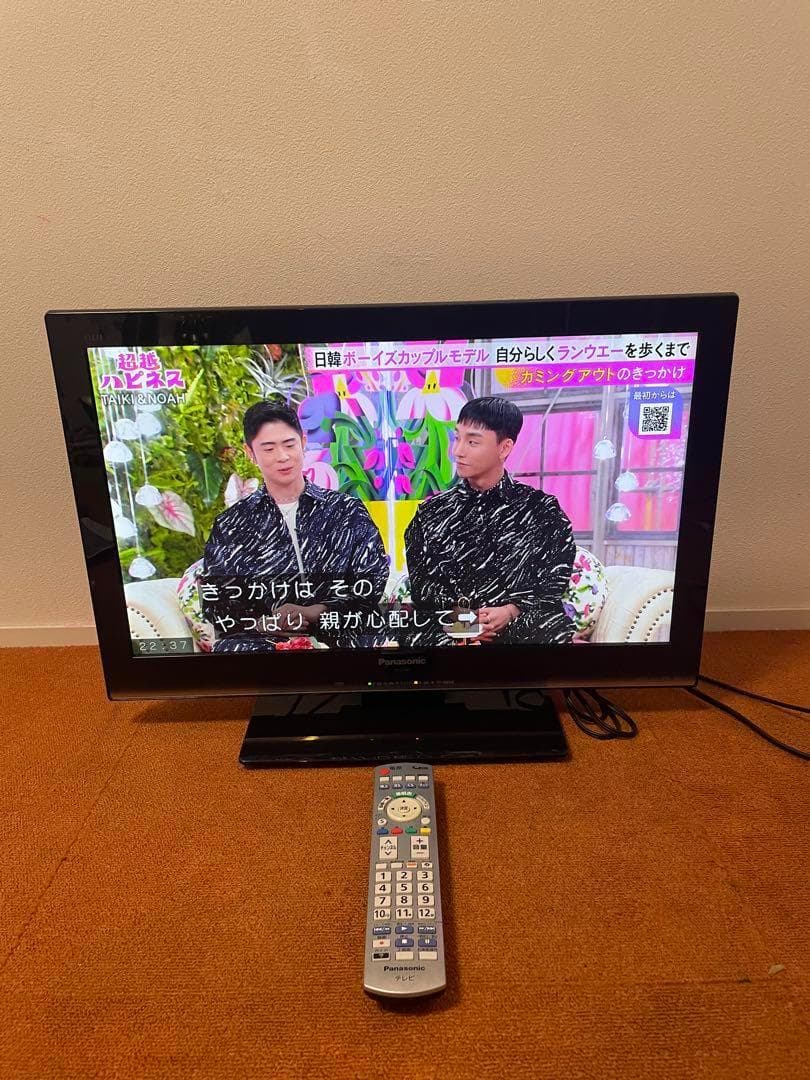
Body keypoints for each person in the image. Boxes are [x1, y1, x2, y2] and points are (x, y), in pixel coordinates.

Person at [202, 400, 388, 651]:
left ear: (303, 442)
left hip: (341, 634)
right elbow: (217, 603)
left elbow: (372, 581)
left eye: (289, 445)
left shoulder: (346, 511)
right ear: (250, 453)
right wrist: (262, 624)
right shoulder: (231, 525)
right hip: (265, 644)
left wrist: (317, 611)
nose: (283, 456)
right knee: (232, 647)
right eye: (269, 449)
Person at [403, 395, 576, 646]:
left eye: (472, 442)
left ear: (504, 448)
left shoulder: (542, 510)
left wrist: (511, 611)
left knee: (552, 627)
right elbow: (424, 591)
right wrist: (465, 624)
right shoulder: (431, 514)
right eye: (457, 438)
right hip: (451, 628)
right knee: (410, 630)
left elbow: (553, 580)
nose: (458, 451)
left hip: (521, 626)